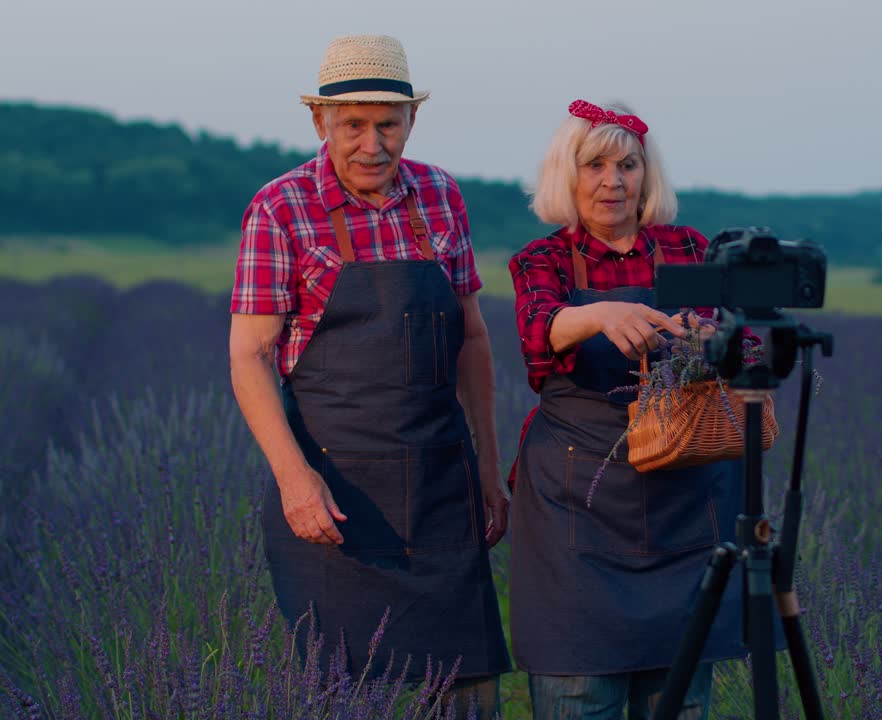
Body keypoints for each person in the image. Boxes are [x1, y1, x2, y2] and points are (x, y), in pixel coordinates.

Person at [228, 34, 509, 715]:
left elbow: (471, 337)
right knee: (344, 693)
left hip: (442, 486)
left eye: (389, 124)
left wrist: (488, 470)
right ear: (321, 122)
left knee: (468, 692)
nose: (373, 144)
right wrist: (295, 480)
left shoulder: (441, 196)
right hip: (335, 498)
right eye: (354, 125)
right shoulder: (281, 207)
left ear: (413, 120)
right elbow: (249, 356)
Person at [507, 99, 752, 720]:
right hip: (577, 505)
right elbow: (538, 335)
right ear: (568, 173)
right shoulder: (547, 260)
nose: (612, 182)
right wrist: (596, 315)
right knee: (577, 690)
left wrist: (716, 343)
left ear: (648, 175)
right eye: (594, 165)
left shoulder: (687, 248)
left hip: (683, 504)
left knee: (678, 696)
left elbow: (742, 345)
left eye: (628, 165)